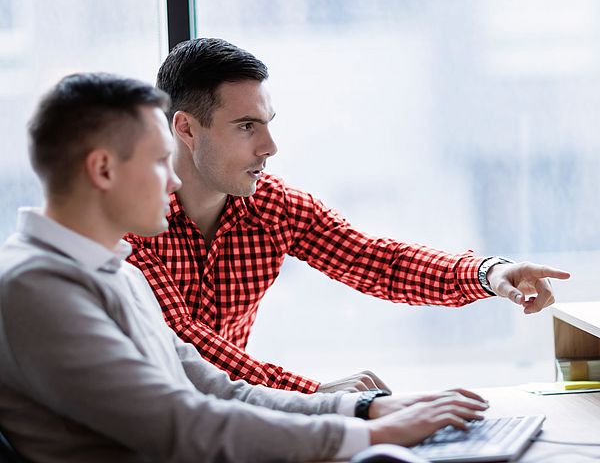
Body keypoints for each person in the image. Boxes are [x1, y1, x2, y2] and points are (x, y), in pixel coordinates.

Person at [0, 72, 489, 463]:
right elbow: (180, 422)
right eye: (157, 163)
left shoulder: (114, 272)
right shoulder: (34, 287)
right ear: (103, 169)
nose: (172, 183)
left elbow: (219, 389)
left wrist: (363, 409)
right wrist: (371, 435)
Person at [125, 38, 571, 394]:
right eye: (246, 126)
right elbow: (183, 346)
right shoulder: (129, 222)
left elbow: (377, 261)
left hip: (228, 422)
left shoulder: (272, 207)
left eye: (267, 122)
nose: (269, 146)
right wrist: (314, 394)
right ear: (185, 128)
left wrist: (488, 273)